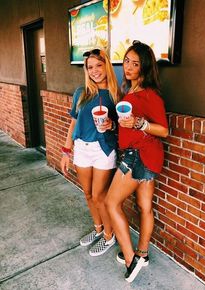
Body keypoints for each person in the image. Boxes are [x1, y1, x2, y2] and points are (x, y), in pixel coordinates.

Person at [106, 40, 169, 282]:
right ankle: (142, 254)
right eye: (127, 61)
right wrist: (115, 125)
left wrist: (139, 123)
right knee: (145, 207)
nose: (129, 67)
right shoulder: (129, 93)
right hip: (146, 155)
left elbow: (164, 130)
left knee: (112, 203)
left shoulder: (149, 94)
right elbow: (127, 126)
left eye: (136, 63)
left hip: (140, 155)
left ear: (144, 67)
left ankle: (132, 262)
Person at [61, 48, 119, 256]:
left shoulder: (115, 94)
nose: (95, 71)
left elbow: (122, 127)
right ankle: (98, 229)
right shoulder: (81, 92)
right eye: (90, 67)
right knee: (87, 194)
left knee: (99, 195)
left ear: (106, 66)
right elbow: (73, 122)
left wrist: (111, 125)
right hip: (82, 149)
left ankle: (109, 237)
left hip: (103, 149)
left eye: (98, 65)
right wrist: (66, 151)